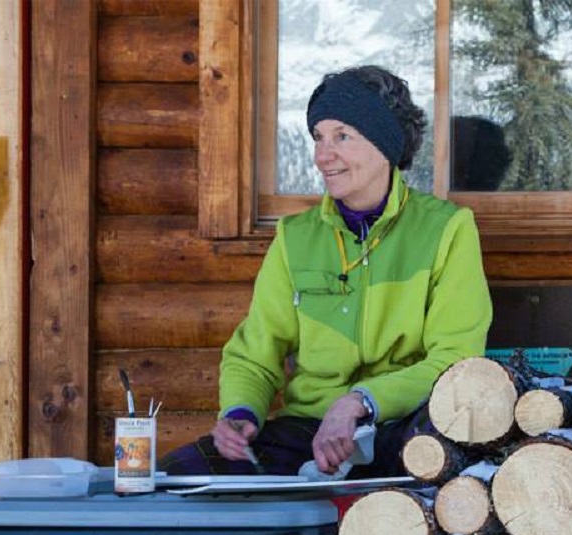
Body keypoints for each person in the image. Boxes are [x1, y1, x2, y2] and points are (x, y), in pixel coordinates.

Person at [161, 65, 492, 478]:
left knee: (439, 457)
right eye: (318, 137)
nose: (322, 155)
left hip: (400, 427)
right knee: (179, 473)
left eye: (342, 137)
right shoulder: (295, 237)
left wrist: (362, 401)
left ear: (385, 143)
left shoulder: (446, 229)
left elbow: (456, 357)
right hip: (308, 432)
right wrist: (240, 411)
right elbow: (255, 351)